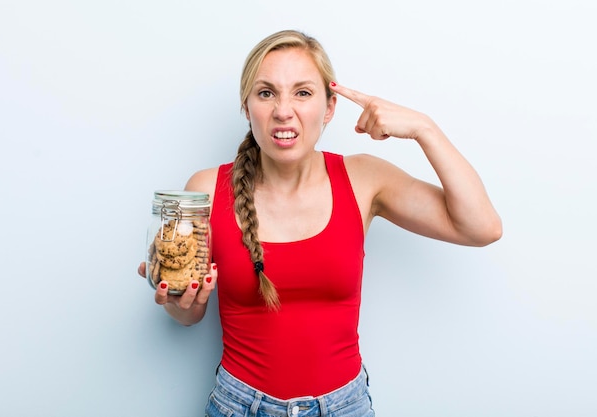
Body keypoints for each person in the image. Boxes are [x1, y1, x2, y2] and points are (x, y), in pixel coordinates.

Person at [138, 29, 502, 417]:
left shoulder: (364, 179)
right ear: (247, 107)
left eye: (303, 92)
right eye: (266, 93)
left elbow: (481, 227)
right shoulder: (206, 189)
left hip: (345, 406)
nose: (283, 110)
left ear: (329, 108)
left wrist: (424, 128)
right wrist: (178, 302)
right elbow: (189, 313)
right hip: (238, 406)